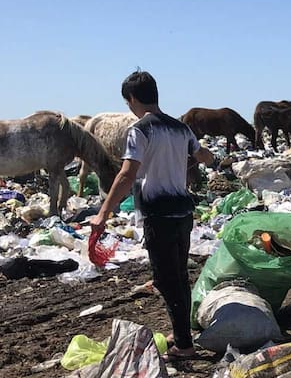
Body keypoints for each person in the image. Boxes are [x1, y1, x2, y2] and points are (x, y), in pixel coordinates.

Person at [90, 70, 214, 360]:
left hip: (158, 214)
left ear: (132, 99)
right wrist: (209, 158)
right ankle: (182, 332)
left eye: (127, 102)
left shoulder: (141, 130)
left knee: (165, 280)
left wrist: (104, 212)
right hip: (183, 212)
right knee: (179, 276)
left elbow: (127, 173)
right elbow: (202, 155)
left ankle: (184, 345)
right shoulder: (181, 128)